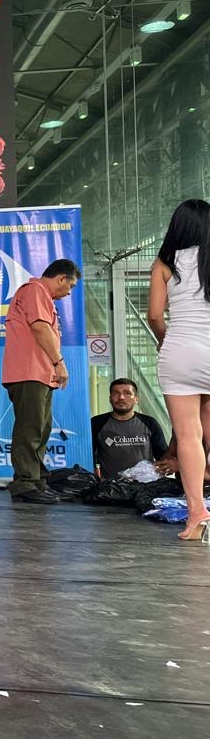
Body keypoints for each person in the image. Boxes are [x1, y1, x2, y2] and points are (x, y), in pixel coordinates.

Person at [147, 198, 210, 541]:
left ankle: (196, 514)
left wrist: (164, 340)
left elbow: (155, 315)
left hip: (181, 352)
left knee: (188, 436)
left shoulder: (164, 262)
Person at [0, 259, 81, 504]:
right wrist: (59, 362)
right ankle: (25, 483)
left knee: (41, 430)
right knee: (30, 429)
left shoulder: (42, 295)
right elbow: (39, 328)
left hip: (40, 374)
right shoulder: (35, 291)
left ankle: (37, 481)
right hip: (29, 373)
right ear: (61, 278)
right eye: (71, 286)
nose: (69, 293)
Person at [90, 378, 169, 480]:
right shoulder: (97, 423)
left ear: (136, 399)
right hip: (110, 487)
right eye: (116, 393)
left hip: (145, 486)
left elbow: (163, 457)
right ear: (110, 399)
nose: (121, 397)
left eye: (127, 393)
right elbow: (88, 454)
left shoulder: (150, 423)